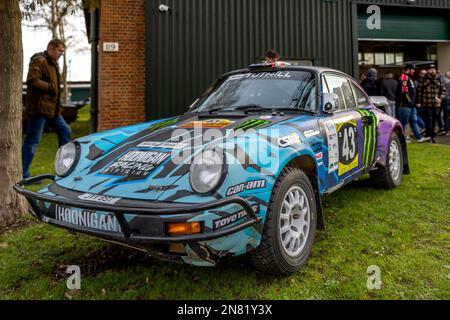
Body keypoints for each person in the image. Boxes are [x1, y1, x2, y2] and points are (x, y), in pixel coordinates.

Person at [22, 39, 72, 179]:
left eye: (63, 52)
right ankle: (23, 173)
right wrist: (50, 87)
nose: (61, 54)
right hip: (39, 110)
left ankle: (63, 168)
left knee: (65, 131)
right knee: (32, 141)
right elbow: (32, 80)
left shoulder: (53, 63)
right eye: (59, 51)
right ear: (51, 48)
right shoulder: (39, 60)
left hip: (52, 110)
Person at [396, 64, 428, 143]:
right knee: (403, 123)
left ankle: (419, 138)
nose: (414, 71)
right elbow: (404, 91)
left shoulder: (409, 78)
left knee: (414, 121)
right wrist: (409, 101)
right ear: (409, 69)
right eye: (413, 69)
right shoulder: (404, 77)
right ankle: (402, 139)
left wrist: (414, 102)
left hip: (411, 106)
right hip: (404, 105)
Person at [416, 64, 447, 143]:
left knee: (434, 120)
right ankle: (428, 136)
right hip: (426, 103)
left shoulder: (440, 79)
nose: (432, 70)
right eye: (431, 69)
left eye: (434, 69)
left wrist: (440, 99)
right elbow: (419, 91)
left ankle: (431, 136)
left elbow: (443, 90)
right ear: (428, 70)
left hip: (436, 104)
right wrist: (419, 102)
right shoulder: (423, 79)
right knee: (428, 120)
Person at [442, 71, 450, 135]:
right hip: (447, 101)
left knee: (446, 116)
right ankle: (447, 130)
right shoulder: (447, 82)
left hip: (446, 101)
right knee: (446, 116)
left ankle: (447, 130)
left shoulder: (444, 82)